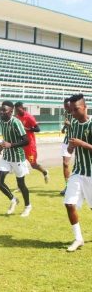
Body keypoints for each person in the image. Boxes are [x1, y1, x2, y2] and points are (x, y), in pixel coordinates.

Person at [63, 94, 92, 252]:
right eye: (71, 110)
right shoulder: (73, 123)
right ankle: (78, 238)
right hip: (78, 171)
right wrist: (70, 148)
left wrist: (81, 143)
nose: (73, 113)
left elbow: (82, 143)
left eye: (76, 109)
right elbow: (71, 144)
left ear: (85, 107)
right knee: (69, 203)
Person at [0, 101, 31, 217]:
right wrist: (1, 147)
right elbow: (6, 138)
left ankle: (28, 206)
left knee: (21, 185)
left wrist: (10, 145)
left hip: (17, 158)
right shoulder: (1, 121)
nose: (1, 112)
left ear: (11, 111)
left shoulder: (16, 122)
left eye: (4, 110)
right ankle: (13, 199)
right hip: (6, 157)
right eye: (1, 110)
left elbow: (26, 141)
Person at [14, 102, 49, 183]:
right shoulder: (17, 117)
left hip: (30, 146)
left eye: (18, 109)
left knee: (33, 164)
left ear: (22, 108)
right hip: (22, 145)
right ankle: (21, 185)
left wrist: (28, 129)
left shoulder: (29, 117)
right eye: (16, 110)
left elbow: (38, 129)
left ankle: (45, 172)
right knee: (19, 163)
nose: (17, 112)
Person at [60, 98, 73, 196]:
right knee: (65, 164)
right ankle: (68, 186)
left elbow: (81, 125)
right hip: (67, 140)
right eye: (65, 106)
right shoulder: (66, 112)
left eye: (67, 106)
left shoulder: (76, 112)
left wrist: (70, 125)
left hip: (80, 140)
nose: (66, 108)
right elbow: (67, 122)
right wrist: (64, 127)